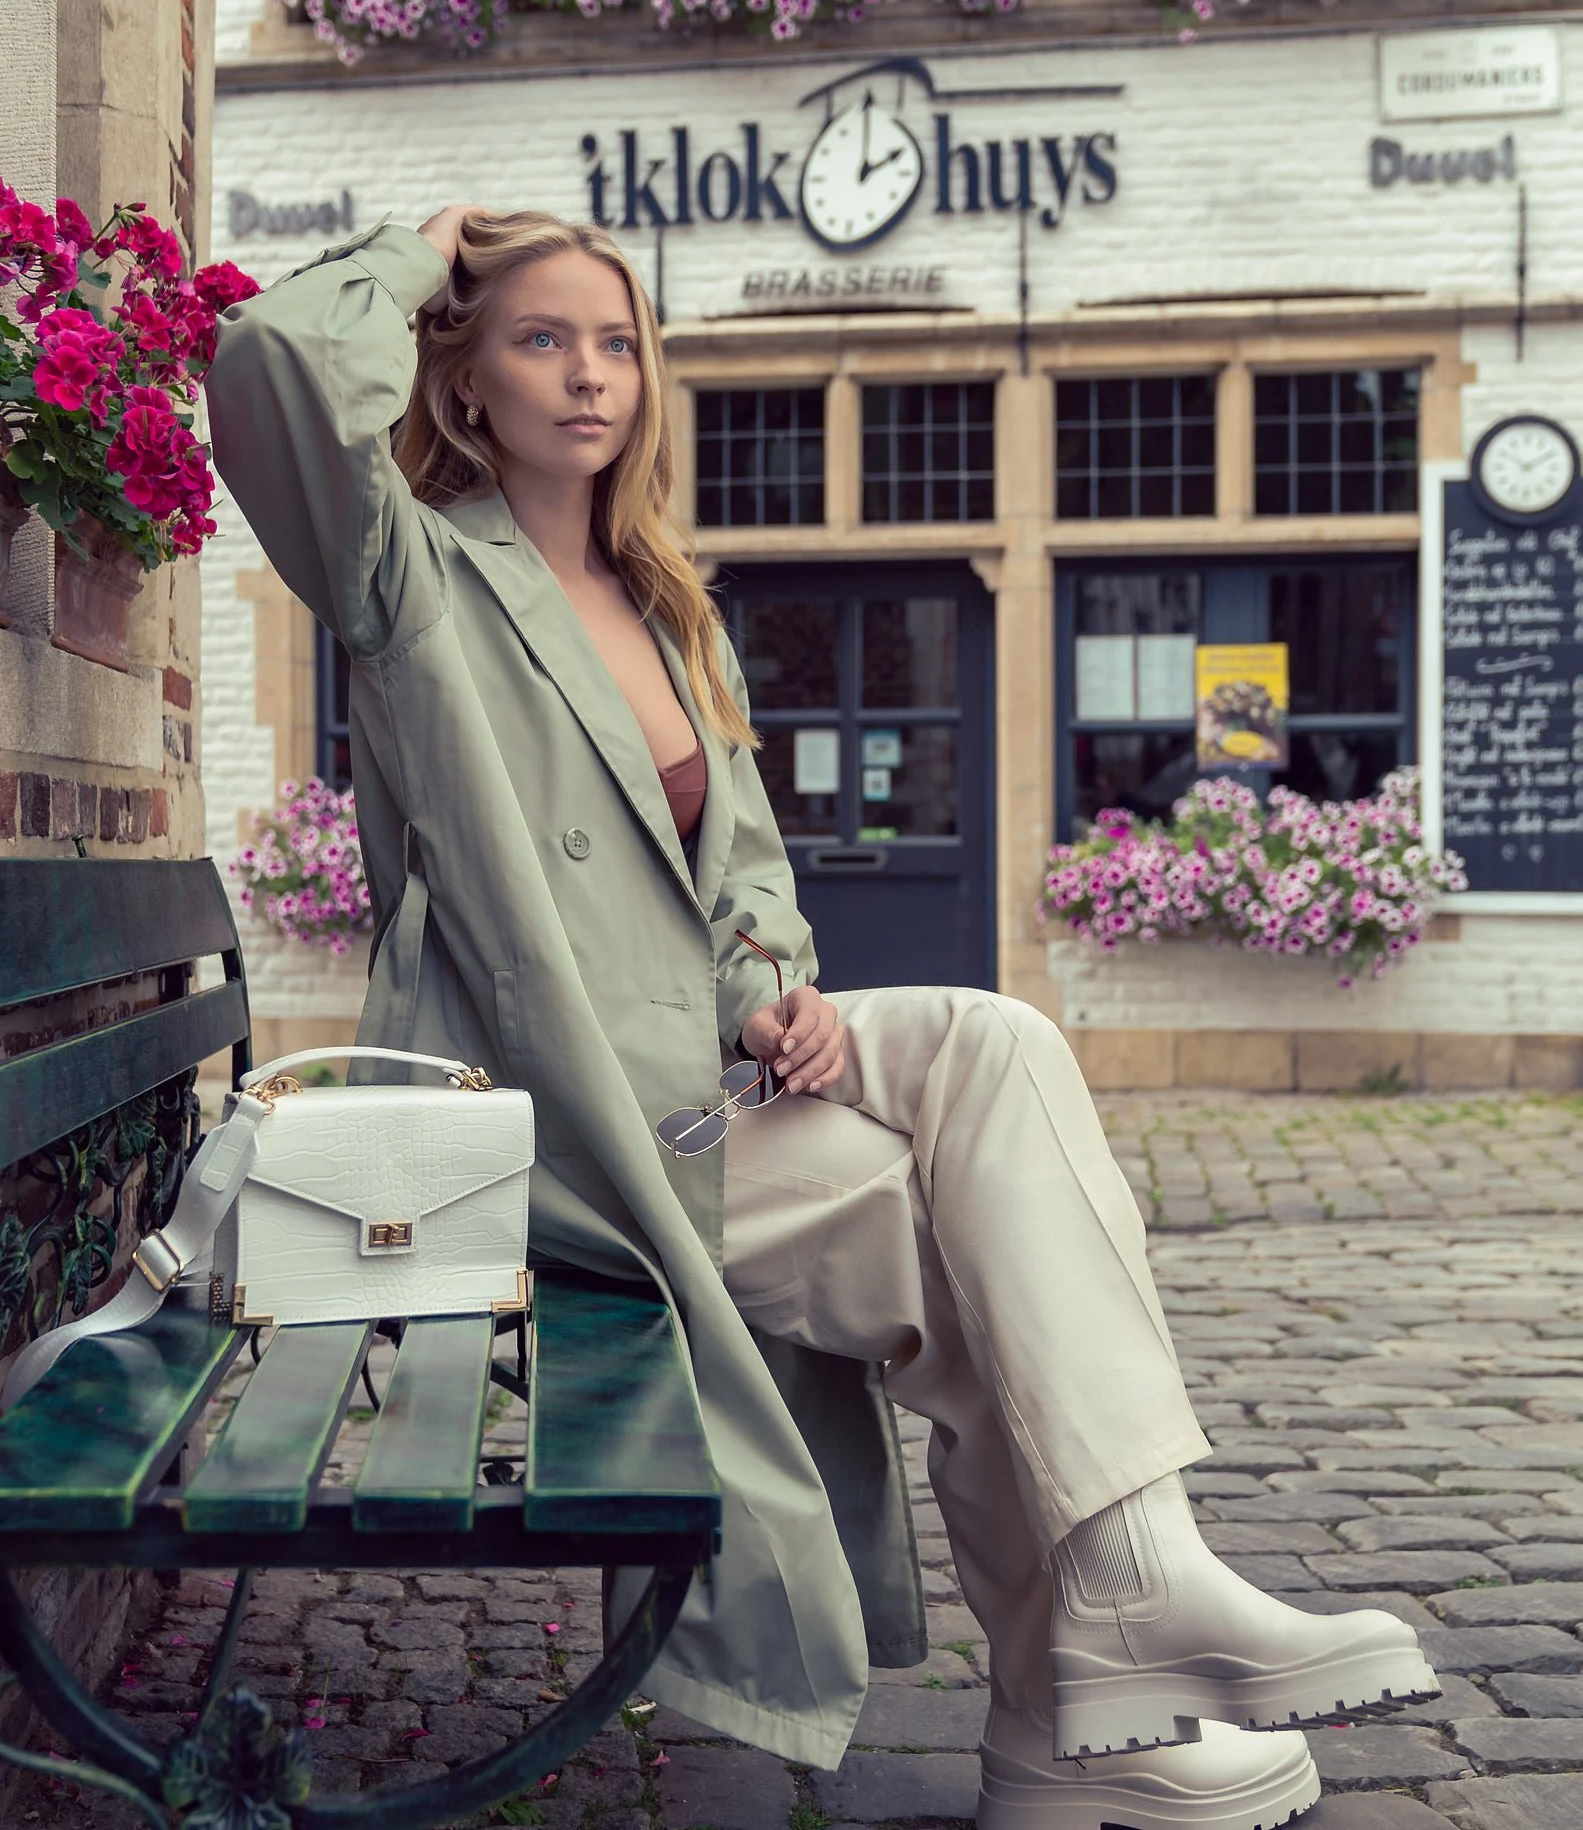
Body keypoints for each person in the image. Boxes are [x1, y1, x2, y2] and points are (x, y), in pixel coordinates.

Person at [205, 208, 1438, 1830]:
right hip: (551, 1130)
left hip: (699, 1086)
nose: (588, 374)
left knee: (1000, 1046)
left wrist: (773, 991)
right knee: (962, 1248)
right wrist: (426, 246)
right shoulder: (409, 571)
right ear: (463, 376)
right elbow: (275, 365)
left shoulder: (668, 607)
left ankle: (1112, 1638)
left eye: (617, 342)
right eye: (539, 339)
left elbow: (743, 878)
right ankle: (1078, 1698)